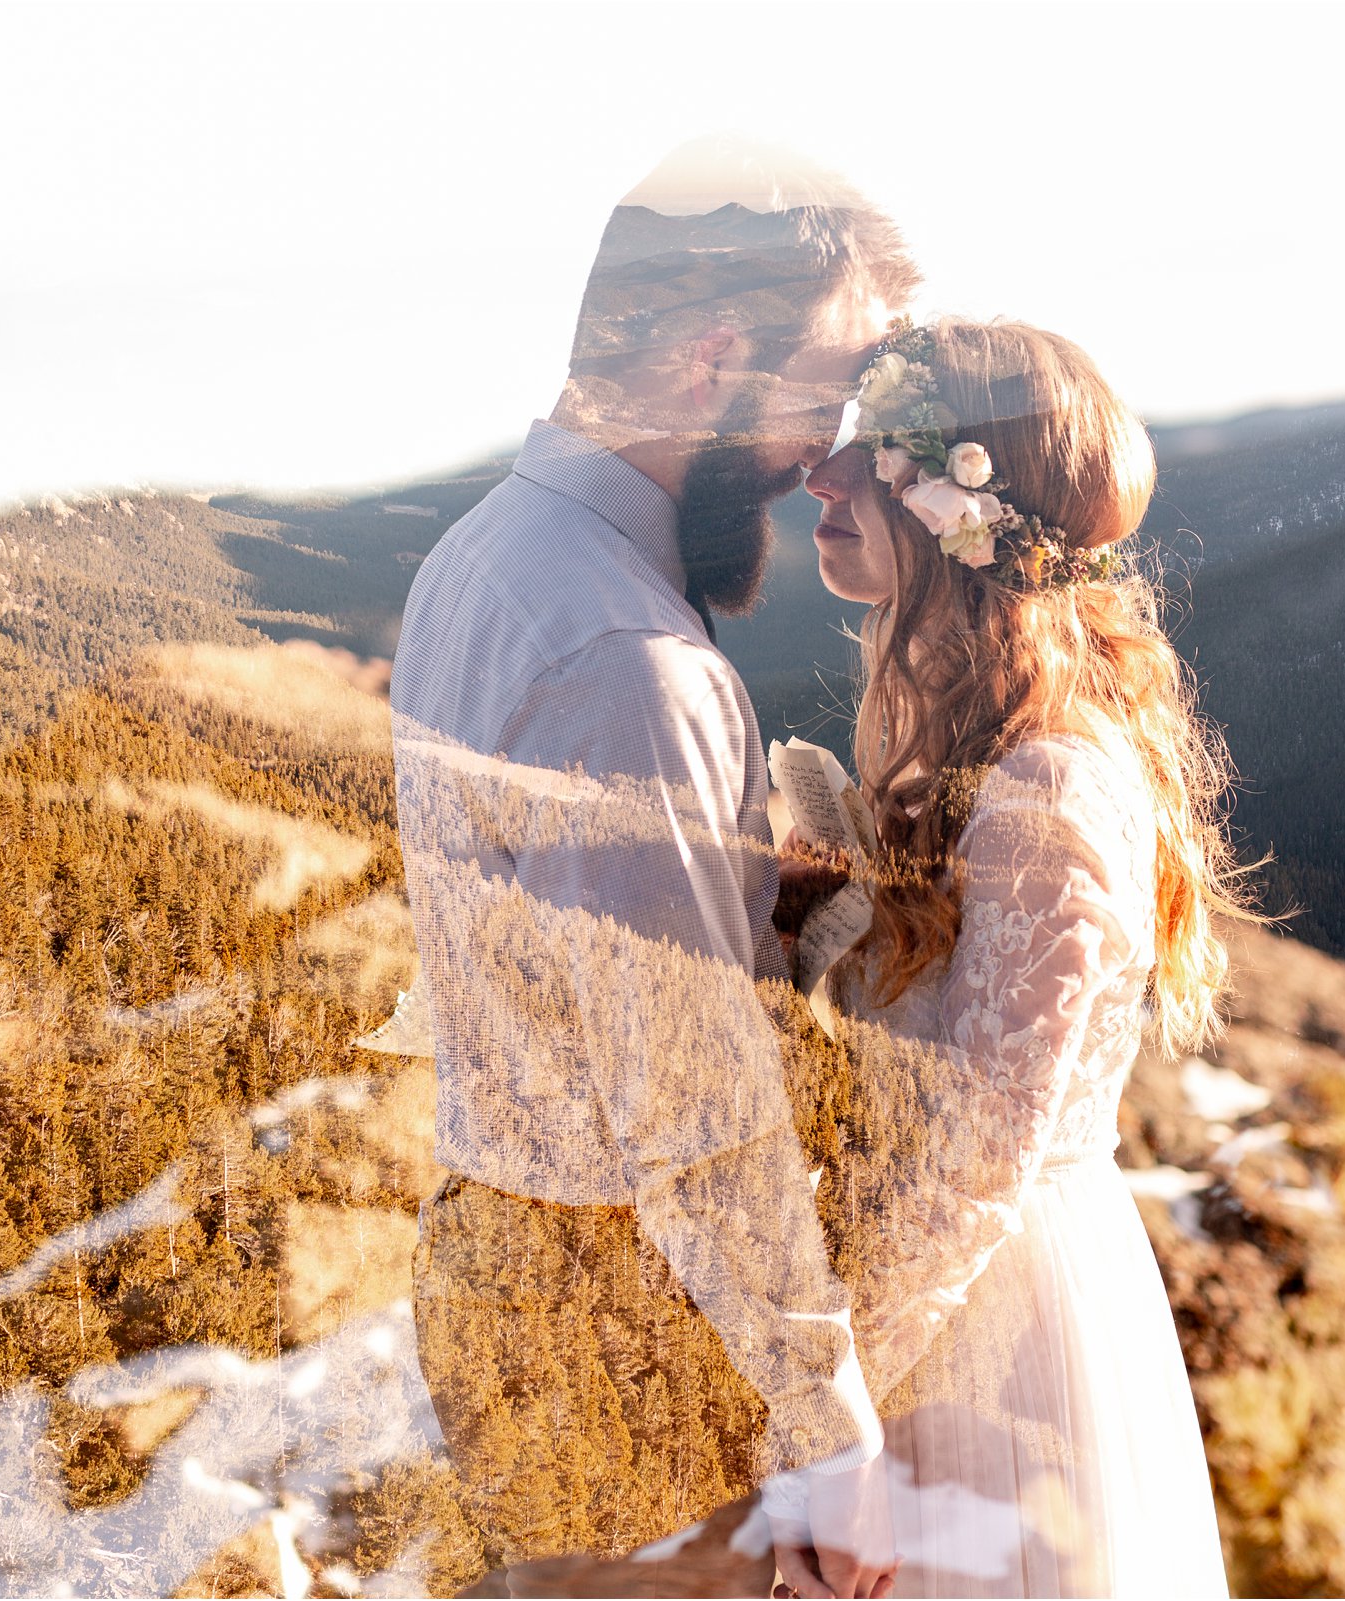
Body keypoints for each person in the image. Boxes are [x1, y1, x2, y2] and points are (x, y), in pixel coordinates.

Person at [388, 140, 920, 1599]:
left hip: (509, 1270)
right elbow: (692, 1115)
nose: (828, 451)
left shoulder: (484, 557)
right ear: (709, 359)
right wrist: (830, 1432)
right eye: (828, 385)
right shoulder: (626, 659)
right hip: (622, 1330)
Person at [783, 316, 1259, 1597]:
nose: (817, 479)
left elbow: (971, 1171)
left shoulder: (1044, 786)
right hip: (939, 1319)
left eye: (867, 454)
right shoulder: (959, 742)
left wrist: (823, 1423)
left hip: (992, 1349)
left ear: (954, 503)